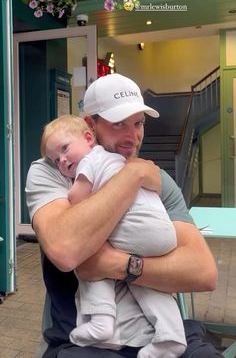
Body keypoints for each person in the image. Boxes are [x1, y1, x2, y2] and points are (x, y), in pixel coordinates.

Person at [26, 73, 222, 358]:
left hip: (161, 334)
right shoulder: (55, 170)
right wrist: (132, 174)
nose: (133, 136)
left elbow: (203, 273)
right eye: (119, 124)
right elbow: (65, 250)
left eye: (138, 123)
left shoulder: (157, 178)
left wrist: (120, 265)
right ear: (90, 127)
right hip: (84, 339)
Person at [41, 114, 187, 358]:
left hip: (136, 232)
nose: (62, 160)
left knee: (91, 255)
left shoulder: (91, 160)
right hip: (162, 234)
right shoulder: (127, 165)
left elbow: (77, 199)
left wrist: (69, 200)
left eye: (65, 150)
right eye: (56, 160)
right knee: (149, 282)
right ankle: (172, 334)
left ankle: (101, 319)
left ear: (89, 138)